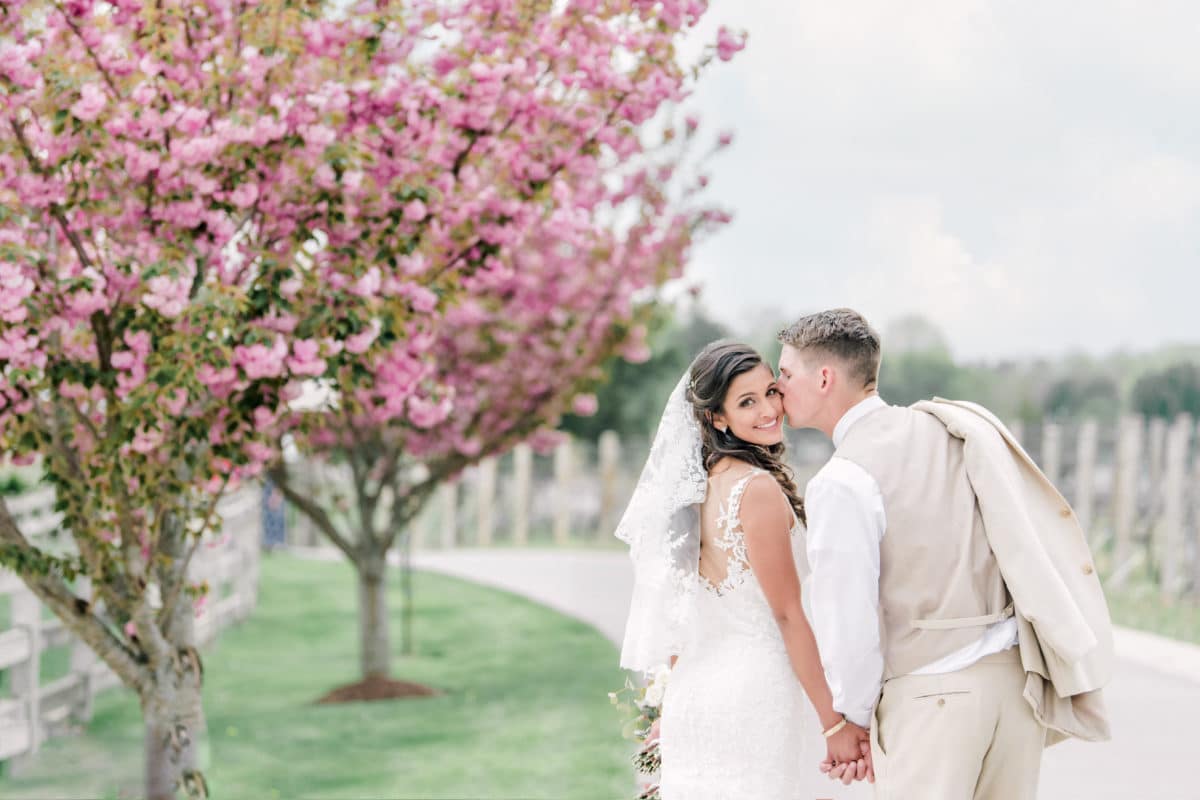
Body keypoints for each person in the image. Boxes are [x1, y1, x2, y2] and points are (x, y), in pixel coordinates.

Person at [616, 341, 871, 800]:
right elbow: (788, 615)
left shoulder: (692, 493)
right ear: (717, 417)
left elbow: (676, 617)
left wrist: (665, 709)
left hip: (693, 698)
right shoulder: (754, 489)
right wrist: (832, 722)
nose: (769, 409)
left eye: (771, 391)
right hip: (752, 695)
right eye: (747, 402)